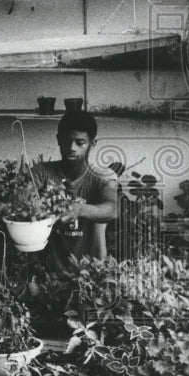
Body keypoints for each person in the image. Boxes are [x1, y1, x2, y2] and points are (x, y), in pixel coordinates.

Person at [33, 110, 118, 272]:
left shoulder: (102, 176)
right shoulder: (42, 172)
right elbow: (20, 201)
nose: (72, 148)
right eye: (67, 141)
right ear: (58, 140)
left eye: (80, 143)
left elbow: (113, 209)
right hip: (48, 273)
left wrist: (79, 209)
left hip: (91, 274)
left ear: (92, 144)